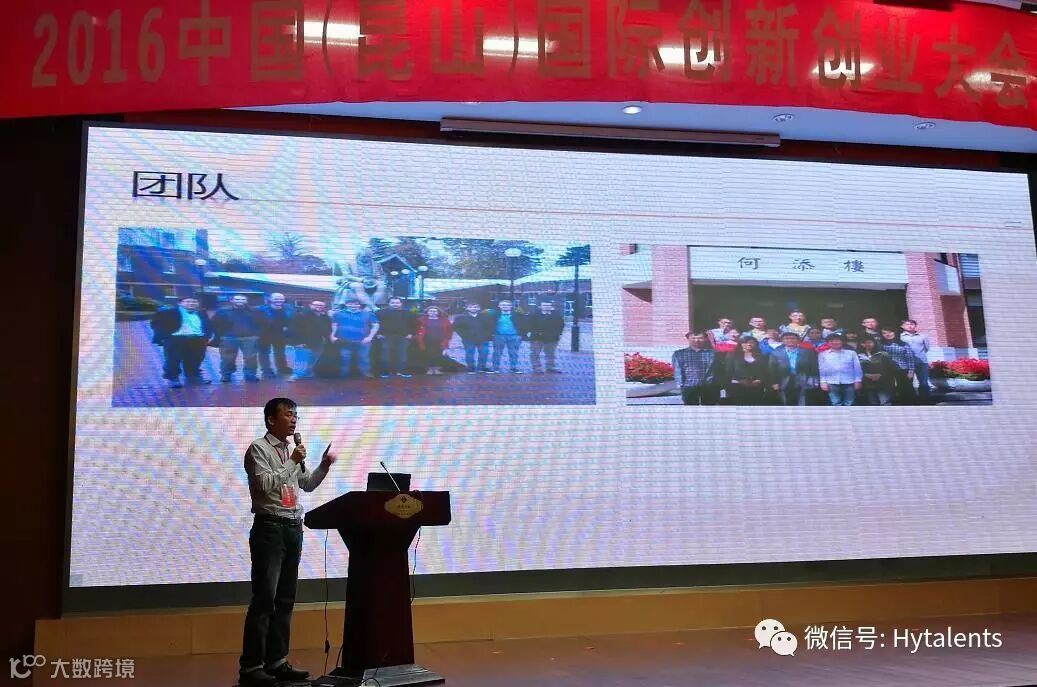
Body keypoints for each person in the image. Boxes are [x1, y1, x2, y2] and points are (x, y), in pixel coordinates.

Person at [239, 398, 337, 687]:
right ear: (271, 419)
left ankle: (277, 661)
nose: (294, 420)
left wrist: (323, 466)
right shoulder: (258, 449)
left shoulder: (292, 451)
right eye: (288, 415)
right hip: (269, 528)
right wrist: (293, 461)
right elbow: (264, 485)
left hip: (293, 528)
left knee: (285, 600)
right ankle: (251, 666)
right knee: (264, 599)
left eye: (296, 416)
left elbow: (306, 484)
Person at [149, 294, 214, 388]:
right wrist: (164, 337)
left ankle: (193, 377)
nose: (191, 303)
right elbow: (156, 323)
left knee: (195, 359)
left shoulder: (201, 313)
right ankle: (173, 378)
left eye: (194, 302)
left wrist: (207, 336)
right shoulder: (169, 312)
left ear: (198, 303)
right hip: (176, 339)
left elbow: (208, 325)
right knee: (173, 360)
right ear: (180, 303)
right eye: (188, 301)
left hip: (197, 339)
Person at [212, 294, 266, 383]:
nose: (240, 301)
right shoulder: (223, 311)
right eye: (237, 299)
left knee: (250, 358)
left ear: (246, 301)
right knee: (227, 358)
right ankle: (226, 375)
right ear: (232, 300)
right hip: (229, 338)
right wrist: (221, 334)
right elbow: (215, 323)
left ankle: (250, 375)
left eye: (242, 299)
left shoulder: (255, 311)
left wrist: (257, 334)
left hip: (250, 338)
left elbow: (262, 323)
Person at [330, 299, 379, 378]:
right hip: (343, 340)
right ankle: (343, 374)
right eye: (350, 304)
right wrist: (332, 335)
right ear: (346, 304)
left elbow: (375, 326)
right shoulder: (338, 314)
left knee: (364, 358)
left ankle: (366, 373)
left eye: (356, 304)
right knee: (344, 358)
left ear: (360, 305)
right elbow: (334, 325)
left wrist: (370, 337)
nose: (353, 306)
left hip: (363, 341)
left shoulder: (368, 314)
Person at [768, 331, 819, 406]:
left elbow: (813, 367)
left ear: (798, 340)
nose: (790, 340)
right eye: (787, 338)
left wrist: (814, 380)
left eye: (793, 338)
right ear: (782, 341)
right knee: (785, 400)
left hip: (803, 378)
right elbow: (772, 369)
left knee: (803, 400)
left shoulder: (807, 352)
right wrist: (774, 382)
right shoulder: (776, 353)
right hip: (784, 379)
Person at [286, 300, 330, 381]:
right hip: (304, 341)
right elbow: (293, 329)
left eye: (321, 305)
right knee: (301, 358)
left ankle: (307, 372)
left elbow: (327, 329)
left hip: (318, 342)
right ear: (310, 305)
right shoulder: (301, 315)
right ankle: (297, 375)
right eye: (316, 305)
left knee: (313, 358)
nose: (319, 307)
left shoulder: (325, 317)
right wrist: (297, 342)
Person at [671, 332, 719, 405]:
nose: (697, 340)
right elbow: (677, 370)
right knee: (691, 409)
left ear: (705, 339)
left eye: (700, 338)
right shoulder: (679, 354)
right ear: (688, 339)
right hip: (688, 386)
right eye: (693, 338)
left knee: (709, 409)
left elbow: (719, 370)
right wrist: (680, 384)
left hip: (708, 386)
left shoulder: (713, 354)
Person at [376, 297, 417, 378]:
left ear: (401, 304)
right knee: (385, 354)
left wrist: (411, 333)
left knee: (402, 354)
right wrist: (378, 333)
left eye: (397, 303)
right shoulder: (380, 313)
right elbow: (375, 324)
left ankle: (402, 371)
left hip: (403, 337)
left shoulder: (409, 313)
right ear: (388, 303)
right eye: (393, 303)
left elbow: (414, 324)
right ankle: (385, 371)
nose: (395, 304)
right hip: (385, 337)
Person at [818, 333, 862, 406]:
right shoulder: (823, 354)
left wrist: (858, 380)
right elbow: (821, 369)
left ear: (842, 341)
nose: (835, 342)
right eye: (831, 341)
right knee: (835, 403)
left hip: (849, 382)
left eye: (837, 340)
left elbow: (857, 368)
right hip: (831, 382)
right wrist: (823, 382)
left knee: (850, 403)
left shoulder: (851, 353)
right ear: (828, 343)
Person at [257, 293, 294, 379]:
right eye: (276, 298)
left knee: (280, 352)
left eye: (281, 299)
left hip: (280, 334)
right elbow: (256, 321)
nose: (279, 300)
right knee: (264, 353)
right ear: (270, 299)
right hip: (264, 334)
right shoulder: (261, 309)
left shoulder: (289, 309)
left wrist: (288, 328)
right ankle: (266, 370)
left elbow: (291, 321)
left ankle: (282, 368)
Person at [725, 336, 770, 405]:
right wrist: (740, 380)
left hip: (756, 386)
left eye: (751, 342)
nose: (749, 344)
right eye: (745, 342)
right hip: (737, 386)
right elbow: (728, 370)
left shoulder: (761, 355)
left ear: (756, 344)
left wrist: (760, 380)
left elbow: (764, 370)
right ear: (740, 344)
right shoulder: (733, 354)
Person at [525, 300, 565, 373]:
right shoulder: (534, 314)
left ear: (551, 306)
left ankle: (550, 367)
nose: (546, 307)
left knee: (550, 354)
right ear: (540, 306)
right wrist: (534, 333)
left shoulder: (556, 315)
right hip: (537, 338)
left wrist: (558, 334)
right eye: (544, 305)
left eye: (548, 305)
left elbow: (561, 325)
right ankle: (537, 367)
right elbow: (529, 325)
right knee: (535, 353)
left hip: (552, 338)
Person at [452, 302, 494, 373]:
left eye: (475, 307)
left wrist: (487, 335)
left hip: (483, 339)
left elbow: (490, 327)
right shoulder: (461, 317)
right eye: (471, 307)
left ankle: (481, 367)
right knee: (470, 354)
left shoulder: (485, 317)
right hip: (468, 339)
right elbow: (456, 327)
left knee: (484, 353)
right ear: (467, 308)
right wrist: (464, 335)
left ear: (479, 308)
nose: (473, 308)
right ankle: (470, 368)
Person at [880, 326, 917, 403]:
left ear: (895, 333)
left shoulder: (903, 344)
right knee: (890, 389)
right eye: (884, 333)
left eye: (890, 332)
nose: (888, 334)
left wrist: (911, 371)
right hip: (887, 370)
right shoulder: (881, 345)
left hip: (902, 369)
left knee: (905, 390)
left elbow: (910, 358)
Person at [488, 300, 525, 373]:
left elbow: (523, 325)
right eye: (503, 305)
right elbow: (489, 324)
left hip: (513, 336)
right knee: (497, 353)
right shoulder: (494, 315)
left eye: (507, 305)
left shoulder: (517, 315)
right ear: (499, 306)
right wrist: (491, 334)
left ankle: (513, 368)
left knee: (513, 353)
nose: (505, 306)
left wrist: (521, 335)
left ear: (511, 306)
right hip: (498, 336)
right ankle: (495, 368)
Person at [857, 336, 896, 405]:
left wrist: (880, 374)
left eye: (869, 342)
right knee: (873, 403)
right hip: (868, 384)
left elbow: (891, 368)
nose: (867, 344)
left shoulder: (883, 354)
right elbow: (857, 369)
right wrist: (866, 375)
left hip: (883, 383)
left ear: (874, 343)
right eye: (864, 343)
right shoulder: (858, 356)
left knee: (885, 402)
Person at [900, 319, 932, 401]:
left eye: (912, 324)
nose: (910, 326)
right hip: (907, 363)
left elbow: (926, 348)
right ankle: (912, 400)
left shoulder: (923, 336)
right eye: (907, 324)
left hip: (921, 362)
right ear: (902, 326)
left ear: (915, 326)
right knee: (908, 382)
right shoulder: (900, 337)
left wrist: (919, 355)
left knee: (923, 382)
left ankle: (925, 400)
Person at [416, 306, 453, 375]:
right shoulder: (421, 320)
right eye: (431, 311)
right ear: (427, 312)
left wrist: (448, 339)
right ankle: (429, 369)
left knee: (438, 354)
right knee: (427, 354)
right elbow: (417, 329)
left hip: (440, 341)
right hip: (426, 340)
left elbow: (449, 330)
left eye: (435, 311)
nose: (432, 312)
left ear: (438, 312)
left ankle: (437, 369)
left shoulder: (444, 320)